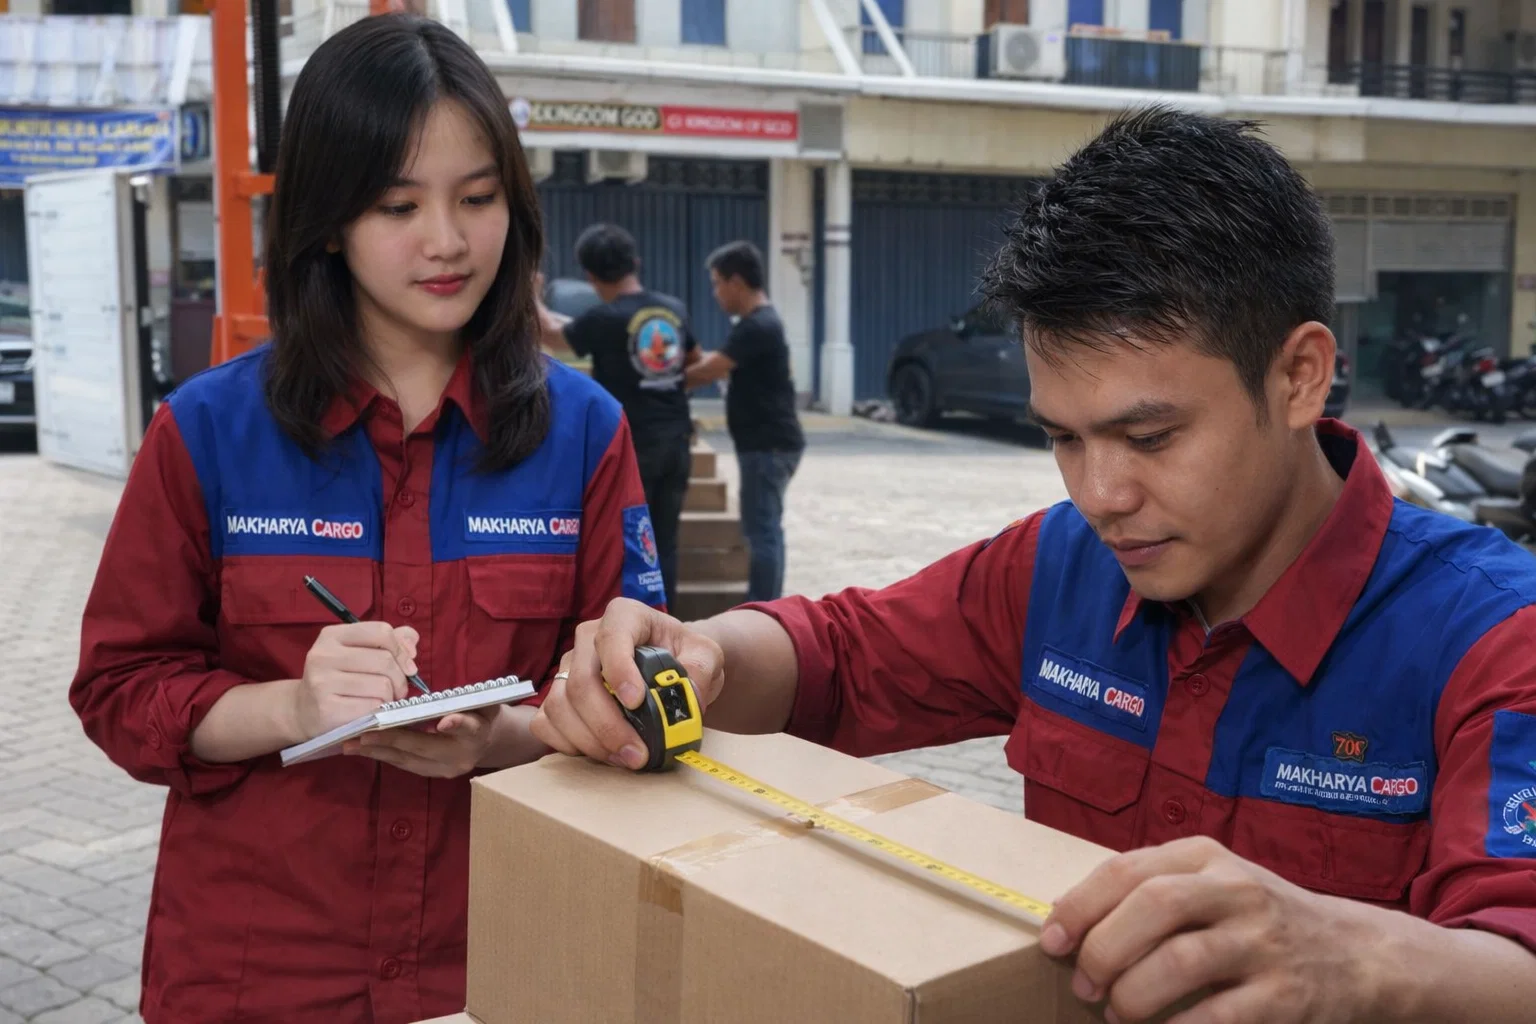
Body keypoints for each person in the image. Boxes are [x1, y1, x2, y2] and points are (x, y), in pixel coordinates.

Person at [530, 107, 1536, 1023]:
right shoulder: (1060, 569)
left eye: (1150, 437)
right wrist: (698, 650)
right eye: (1063, 438)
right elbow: (840, 652)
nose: (1100, 494)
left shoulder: (1489, 637)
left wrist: (1357, 959)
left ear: (1299, 375)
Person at [68, 15, 661, 1023]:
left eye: (477, 199)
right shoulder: (209, 431)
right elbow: (121, 690)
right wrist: (295, 710)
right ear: (329, 219)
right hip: (261, 970)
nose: (447, 240)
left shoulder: (587, 434)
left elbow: (644, 697)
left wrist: (501, 737)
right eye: (398, 204)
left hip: (504, 961)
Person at [537, 224, 698, 611]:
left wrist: (531, 293)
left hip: (634, 447)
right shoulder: (672, 309)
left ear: (590, 275)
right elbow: (692, 359)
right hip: (676, 440)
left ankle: (634, 626)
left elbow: (552, 335)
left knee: (629, 543)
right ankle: (667, 623)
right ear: (635, 263)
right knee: (666, 542)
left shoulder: (603, 319)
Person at [685, 240, 805, 602]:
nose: (716, 292)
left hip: (767, 445)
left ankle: (763, 610)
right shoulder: (756, 325)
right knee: (768, 530)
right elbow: (717, 361)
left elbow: (708, 370)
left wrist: (653, 378)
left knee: (762, 532)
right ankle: (768, 603)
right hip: (770, 443)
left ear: (736, 282)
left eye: (718, 282)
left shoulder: (757, 326)